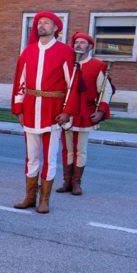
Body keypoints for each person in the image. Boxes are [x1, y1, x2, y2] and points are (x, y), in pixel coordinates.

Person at [11, 12, 77, 213]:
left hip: (52, 110)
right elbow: (20, 82)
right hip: (31, 109)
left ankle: (44, 199)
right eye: (39, 22)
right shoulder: (28, 51)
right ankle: (30, 196)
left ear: (56, 27)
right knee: (31, 157)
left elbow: (72, 84)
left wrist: (67, 111)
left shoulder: (65, 51)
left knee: (49, 158)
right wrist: (19, 108)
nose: (41, 25)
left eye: (46, 22)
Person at [56, 32, 111, 195]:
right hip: (66, 112)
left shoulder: (97, 65)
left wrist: (101, 111)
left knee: (80, 149)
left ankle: (76, 183)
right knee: (67, 149)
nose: (79, 45)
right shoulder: (67, 64)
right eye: (76, 42)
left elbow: (105, 91)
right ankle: (66, 181)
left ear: (90, 46)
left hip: (85, 112)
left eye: (82, 42)